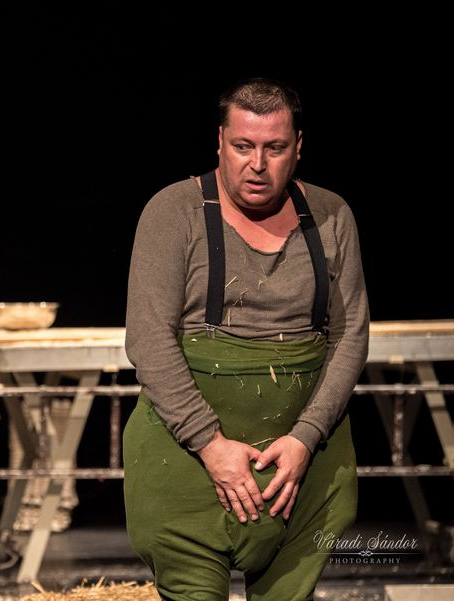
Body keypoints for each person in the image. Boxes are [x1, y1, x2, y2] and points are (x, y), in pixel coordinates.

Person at [123, 79, 369, 600]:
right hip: (188, 462)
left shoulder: (332, 216)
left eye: (274, 148)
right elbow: (148, 339)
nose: (257, 164)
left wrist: (306, 437)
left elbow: (350, 335)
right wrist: (209, 444)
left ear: (298, 146)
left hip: (301, 467)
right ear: (220, 142)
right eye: (243, 146)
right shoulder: (174, 212)